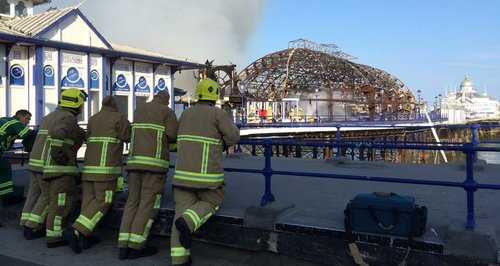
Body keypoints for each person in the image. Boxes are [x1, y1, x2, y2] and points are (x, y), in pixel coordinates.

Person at [170, 78, 240, 266]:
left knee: (180, 212)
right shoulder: (218, 114)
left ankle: (179, 260)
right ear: (215, 96)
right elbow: (234, 137)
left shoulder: (185, 114)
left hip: (181, 176)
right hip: (207, 178)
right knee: (212, 201)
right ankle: (189, 222)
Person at [63, 95, 131, 253]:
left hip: (88, 170)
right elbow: (128, 136)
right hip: (106, 171)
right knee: (103, 201)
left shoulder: (93, 118)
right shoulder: (119, 118)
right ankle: (77, 230)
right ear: (115, 105)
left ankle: (84, 238)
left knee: (88, 203)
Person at [118, 90, 178, 260]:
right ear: (166, 101)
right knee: (147, 205)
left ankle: (123, 246)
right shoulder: (166, 112)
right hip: (154, 165)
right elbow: (173, 135)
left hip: (134, 164)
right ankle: (136, 246)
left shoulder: (139, 110)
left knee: (132, 202)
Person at [24, 88, 87, 248]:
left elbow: (70, 132)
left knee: (43, 197)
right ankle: (54, 236)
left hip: (40, 164)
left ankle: (31, 226)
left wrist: (83, 134)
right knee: (60, 202)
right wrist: (60, 155)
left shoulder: (50, 116)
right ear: (77, 104)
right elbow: (59, 134)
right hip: (56, 168)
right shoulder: (67, 117)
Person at [0, 110, 37, 226]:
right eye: (27, 119)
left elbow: (26, 137)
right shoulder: (13, 122)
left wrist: (29, 146)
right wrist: (45, 132)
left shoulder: (11, 124)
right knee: (4, 167)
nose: (28, 122)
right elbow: (28, 134)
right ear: (20, 116)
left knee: (4, 166)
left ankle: (5, 196)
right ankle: (6, 196)